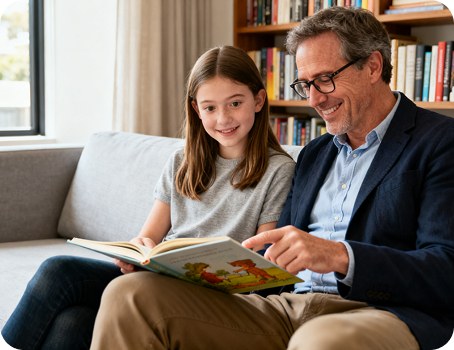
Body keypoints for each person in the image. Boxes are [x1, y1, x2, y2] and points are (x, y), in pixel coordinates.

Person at [89, 6, 454, 350]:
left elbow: (445, 268)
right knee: (131, 294)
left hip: (378, 312)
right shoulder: (315, 154)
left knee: (319, 342)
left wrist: (341, 256)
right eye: (305, 84)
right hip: (285, 307)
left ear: (373, 66)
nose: (314, 99)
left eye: (325, 80)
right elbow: (268, 258)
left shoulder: (439, 142)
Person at [1, 45, 296, 350]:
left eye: (235, 103)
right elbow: (147, 237)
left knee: (59, 272)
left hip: (218, 298)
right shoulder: (182, 161)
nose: (223, 118)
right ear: (196, 109)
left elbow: (261, 264)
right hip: (163, 280)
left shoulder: (278, 170)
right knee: (73, 321)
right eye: (210, 108)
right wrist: (137, 253)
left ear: (258, 100)